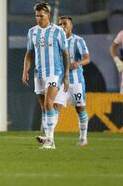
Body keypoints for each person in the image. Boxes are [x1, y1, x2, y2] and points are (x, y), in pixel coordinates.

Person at [22, 2, 70, 150]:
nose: (38, 18)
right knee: (44, 108)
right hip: (39, 73)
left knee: (49, 104)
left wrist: (66, 74)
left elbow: (65, 54)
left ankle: (50, 141)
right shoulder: (32, 32)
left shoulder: (58, 31)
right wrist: (25, 70)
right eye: (36, 15)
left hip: (54, 73)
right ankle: (49, 137)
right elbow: (29, 52)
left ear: (48, 15)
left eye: (41, 15)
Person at [37, 16, 90, 146]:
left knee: (80, 108)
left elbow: (87, 59)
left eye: (65, 24)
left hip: (76, 81)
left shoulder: (78, 41)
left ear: (71, 26)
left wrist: (78, 63)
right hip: (60, 80)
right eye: (60, 24)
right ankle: (49, 138)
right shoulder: (54, 41)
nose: (62, 26)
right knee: (55, 107)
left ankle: (83, 138)